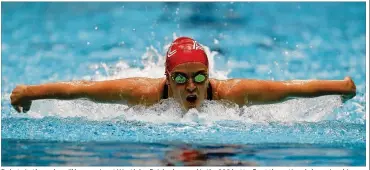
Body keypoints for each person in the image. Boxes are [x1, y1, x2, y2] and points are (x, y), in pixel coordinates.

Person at [10, 37, 356, 113]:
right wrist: (28, 91)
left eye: (199, 77)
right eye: (180, 78)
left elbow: (290, 89)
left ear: (209, 75)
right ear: (167, 77)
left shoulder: (229, 92)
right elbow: (79, 91)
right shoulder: (144, 92)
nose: (191, 86)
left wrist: (341, 88)